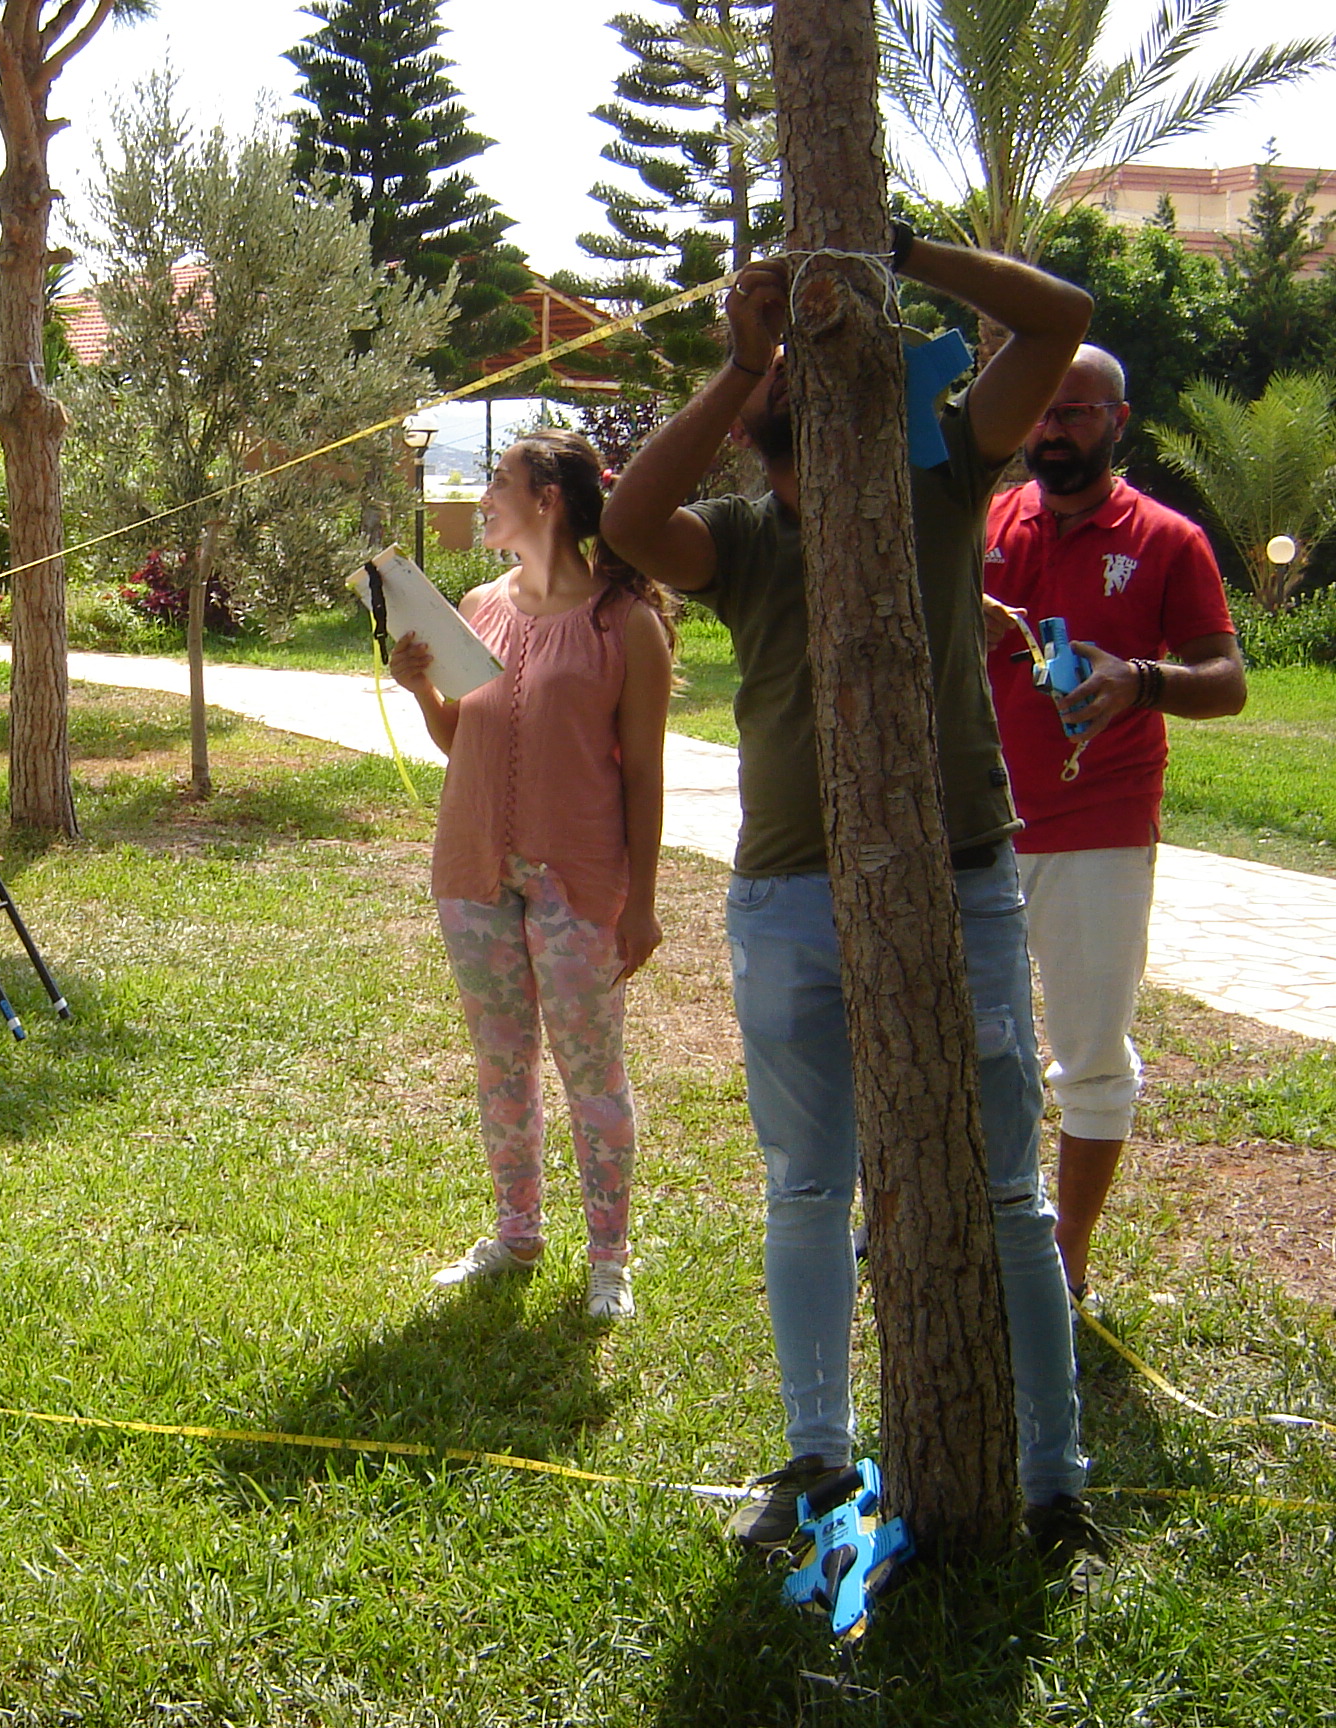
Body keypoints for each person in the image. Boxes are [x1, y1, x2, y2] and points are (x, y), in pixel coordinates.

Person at [599, 236, 1097, 1557]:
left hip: (962, 883)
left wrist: (904, 249)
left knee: (1005, 1192)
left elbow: (1060, 324)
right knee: (807, 1189)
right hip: (786, 900)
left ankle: (1054, 1479)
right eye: (789, 406)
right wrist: (739, 360)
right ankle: (817, 1456)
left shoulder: (935, 477)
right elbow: (629, 524)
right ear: (769, 437)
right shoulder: (751, 542)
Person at [981, 343, 1247, 1304]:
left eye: (1077, 412)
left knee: (1089, 1054)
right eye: (1043, 413)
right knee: (976, 1046)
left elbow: (1227, 680)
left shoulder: (1168, 539)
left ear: (1118, 421)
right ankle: (985, 1238)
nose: (1053, 429)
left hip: (1095, 825)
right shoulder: (994, 521)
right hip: (977, 828)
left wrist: (1138, 680)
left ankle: (1066, 1262)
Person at [390, 428, 675, 1320]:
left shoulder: (625, 623)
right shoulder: (477, 605)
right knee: (499, 1062)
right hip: (473, 868)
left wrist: (645, 904)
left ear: (547, 500)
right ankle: (517, 1235)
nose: (483, 496)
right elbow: (462, 742)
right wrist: (422, 692)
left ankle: (610, 1260)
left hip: (580, 882)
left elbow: (645, 774)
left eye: (498, 481)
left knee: (592, 1071)